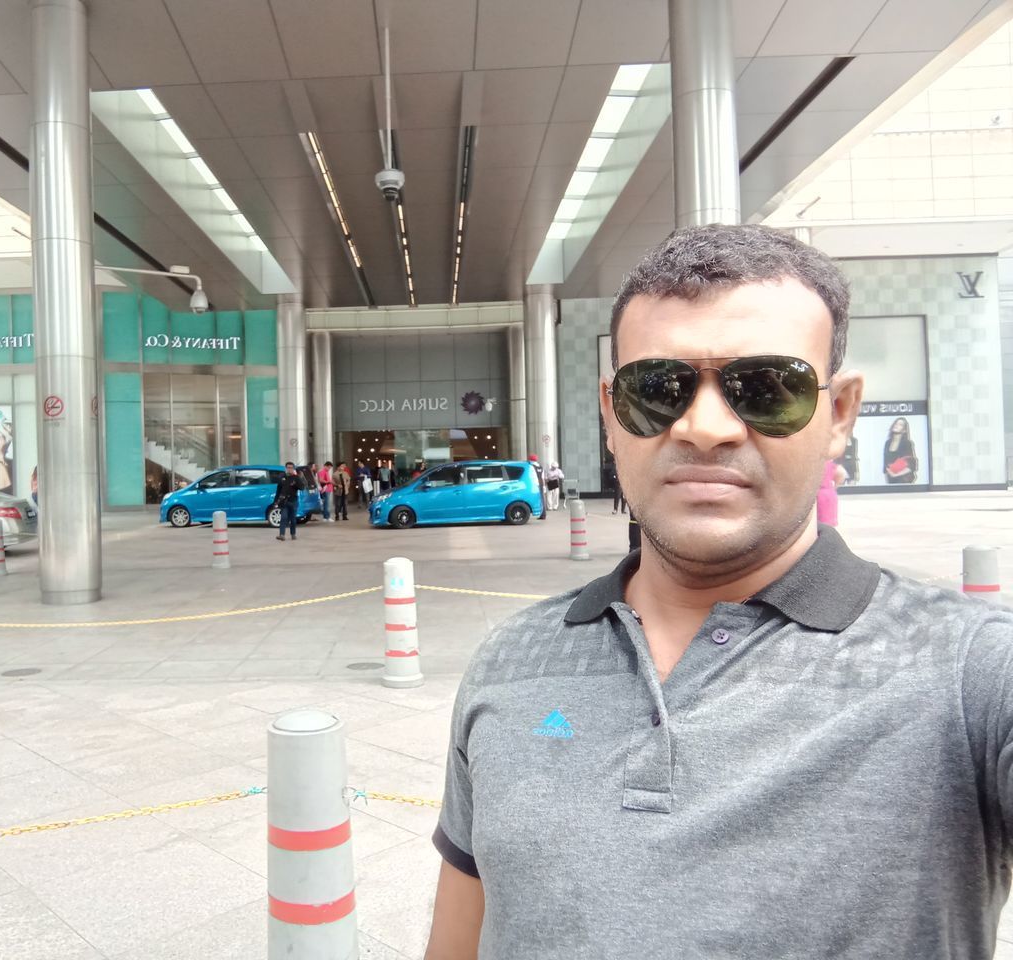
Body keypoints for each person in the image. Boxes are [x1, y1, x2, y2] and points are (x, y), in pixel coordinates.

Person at [425, 224, 1013, 959]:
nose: (705, 428)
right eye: (659, 389)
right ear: (611, 414)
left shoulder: (970, 674)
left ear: (839, 415)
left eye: (767, 389)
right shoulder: (508, 663)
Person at [272, 462, 305, 541]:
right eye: (288, 467)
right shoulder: (282, 478)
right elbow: (278, 490)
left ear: (293, 469)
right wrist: (275, 501)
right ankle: (281, 535)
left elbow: (302, 487)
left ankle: (293, 534)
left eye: (291, 468)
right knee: (283, 517)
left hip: (293, 501)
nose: (289, 469)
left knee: (293, 519)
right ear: (285, 468)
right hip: (284, 501)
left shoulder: (296, 478)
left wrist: (295, 484)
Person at [883, 417, 919, 484]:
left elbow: (912, 464)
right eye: (896, 423)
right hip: (891, 480)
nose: (896, 425)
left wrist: (896, 474)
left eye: (900, 424)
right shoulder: (887, 443)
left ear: (904, 430)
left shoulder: (907, 443)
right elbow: (885, 464)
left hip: (904, 480)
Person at [815, 457, 847, 526]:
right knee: (827, 524)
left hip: (819, 494)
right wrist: (835, 485)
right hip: (829, 493)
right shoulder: (830, 464)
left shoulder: (814, 464)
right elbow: (841, 473)